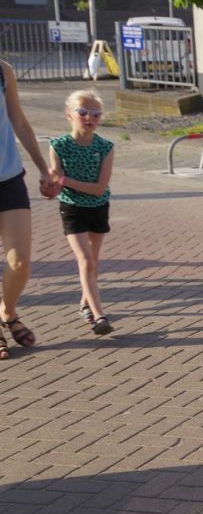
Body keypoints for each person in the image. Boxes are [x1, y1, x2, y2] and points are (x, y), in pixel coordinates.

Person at [48, 89, 117, 336]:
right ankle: (99, 316)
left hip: (98, 207)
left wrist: (64, 180)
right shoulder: (58, 146)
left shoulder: (105, 147)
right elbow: (54, 182)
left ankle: (85, 303)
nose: (90, 118)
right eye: (83, 112)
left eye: (96, 114)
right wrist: (51, 185)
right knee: (85, 260)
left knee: (93, 263)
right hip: (72, 208)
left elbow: (99, 188)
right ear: (69, 114)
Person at [0, 58, 55, 359]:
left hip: (9, 179)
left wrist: (43, 169)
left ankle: (7, 312)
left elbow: (18, 121)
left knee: (20, 263)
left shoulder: (3, 70)